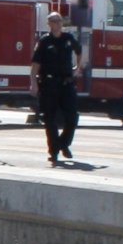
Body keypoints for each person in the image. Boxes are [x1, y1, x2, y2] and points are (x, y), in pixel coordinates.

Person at [32, 10, 82, 167]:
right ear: (49, 24)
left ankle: (63, 143)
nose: (57, 23)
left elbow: (79, 51)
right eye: (53, 20)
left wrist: (77, 67)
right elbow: (35, 65)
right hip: (49, 84)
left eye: (59, 20)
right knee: (50, 119)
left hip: (66, 83)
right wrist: (33, 83)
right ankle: (54, 151)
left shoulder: (68, 39)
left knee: (72, 117)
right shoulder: (44, 42)